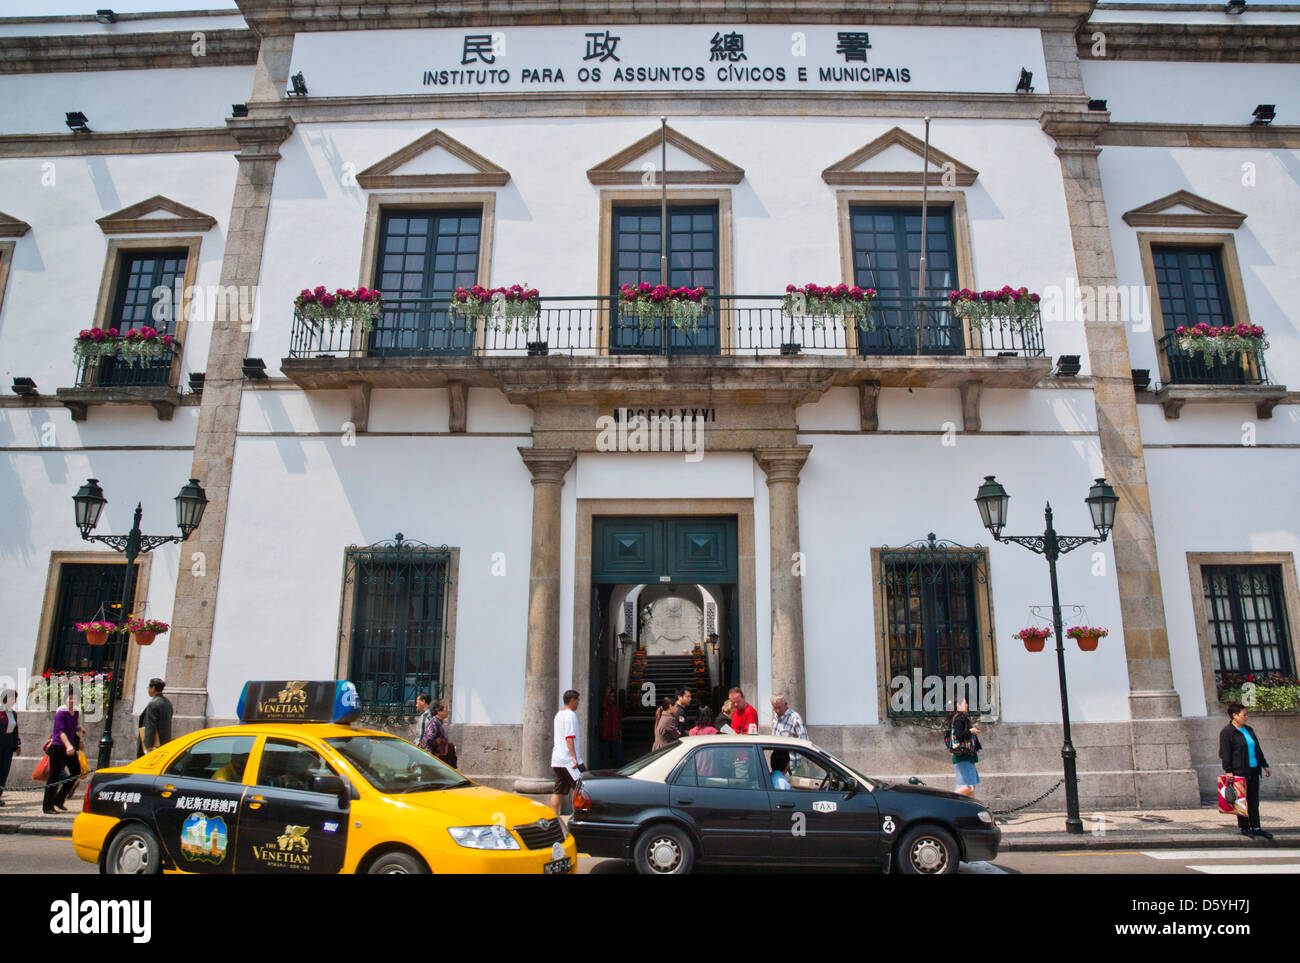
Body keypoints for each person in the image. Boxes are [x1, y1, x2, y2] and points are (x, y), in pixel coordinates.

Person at [1219, 701, 1273, 839]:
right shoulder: (1227, 732)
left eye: (1246, 714)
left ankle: (1256, 826)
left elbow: (1257, 749)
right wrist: (1228, 770)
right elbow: (1225, 753)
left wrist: (1265, 765)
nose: (1246, 717)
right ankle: (1244, 827)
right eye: (1244, 715)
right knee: (1241, 801)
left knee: (1254, 800)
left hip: (1254, 769)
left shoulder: (1249, 730)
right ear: (1234, 715)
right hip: (1239, 771)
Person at [43, 687, 83, 814]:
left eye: (74, 698)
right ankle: (47, 806)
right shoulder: (61, 713)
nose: (72, 700)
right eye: (70, 698)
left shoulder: (76, 713)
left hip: (69, 748)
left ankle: (59, 799)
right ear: (65, 699)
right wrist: (68, 746)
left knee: (76, 771)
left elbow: (71, 727)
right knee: (54, 776)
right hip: (59, 747)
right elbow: (60, 731)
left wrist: (79, 730)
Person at [549, 690, 584, 816]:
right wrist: (574, 757)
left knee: (558, 791)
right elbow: (569, 737)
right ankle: (582, 815)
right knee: (584, 788)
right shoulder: (570, 715)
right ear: (572, 700)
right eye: (578, 700)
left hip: (558, 760)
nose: (579, 703)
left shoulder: (558, 715)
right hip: (569, 761)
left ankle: (553, 816)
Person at [948, 699, 981, 798]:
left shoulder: (959, 718)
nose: (967, 705)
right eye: (964, 703)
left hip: (964, 757)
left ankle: (970, 811)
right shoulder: (959, 719)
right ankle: (949, 802)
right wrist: (971, 731)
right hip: (963, 757)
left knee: (969, 787)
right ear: (958, 705)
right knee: (969, 786)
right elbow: (958, 736)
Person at [137, 677, 173, 757]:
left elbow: (150, 726)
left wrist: (147, 746)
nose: (148, 690)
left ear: (153, 688)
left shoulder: (153, 703)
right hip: (164, 742)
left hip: (154, 745)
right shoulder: (167, 702)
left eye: (148, 687)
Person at [421, 699, 457, 769]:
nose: (447, 711)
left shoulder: (438, 722)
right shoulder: (434, 722)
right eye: (445, 708)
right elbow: (428, 740)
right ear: (438, 711)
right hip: (433, 761)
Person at [0, 688, 18, 806]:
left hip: (8, 742)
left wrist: (17, 744)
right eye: (12, 698)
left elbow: (15, 730)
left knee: (4, 771)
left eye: (15, 698)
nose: (14, 700)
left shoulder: (13, 713)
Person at [599, 687, 624, 769]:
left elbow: (618, 720)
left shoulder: (616, 708)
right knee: (605, 760)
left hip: (615, 737)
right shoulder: (605, 707)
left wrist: (618, 731)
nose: (611, 698)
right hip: (606, 737)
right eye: (610, 696)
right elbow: (603, 704)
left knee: (620, 759)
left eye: (613, 697)